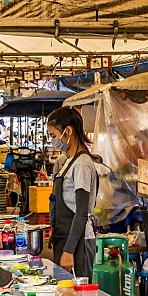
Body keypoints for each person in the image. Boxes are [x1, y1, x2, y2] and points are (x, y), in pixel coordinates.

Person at [46, 106, 98, 279]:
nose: (52, 141)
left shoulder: (82, 164)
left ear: (68, 131)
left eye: (54, 136)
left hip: (79, 242)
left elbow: (81, 212)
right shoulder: (68, 161)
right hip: (66, 237)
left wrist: (69, 251)